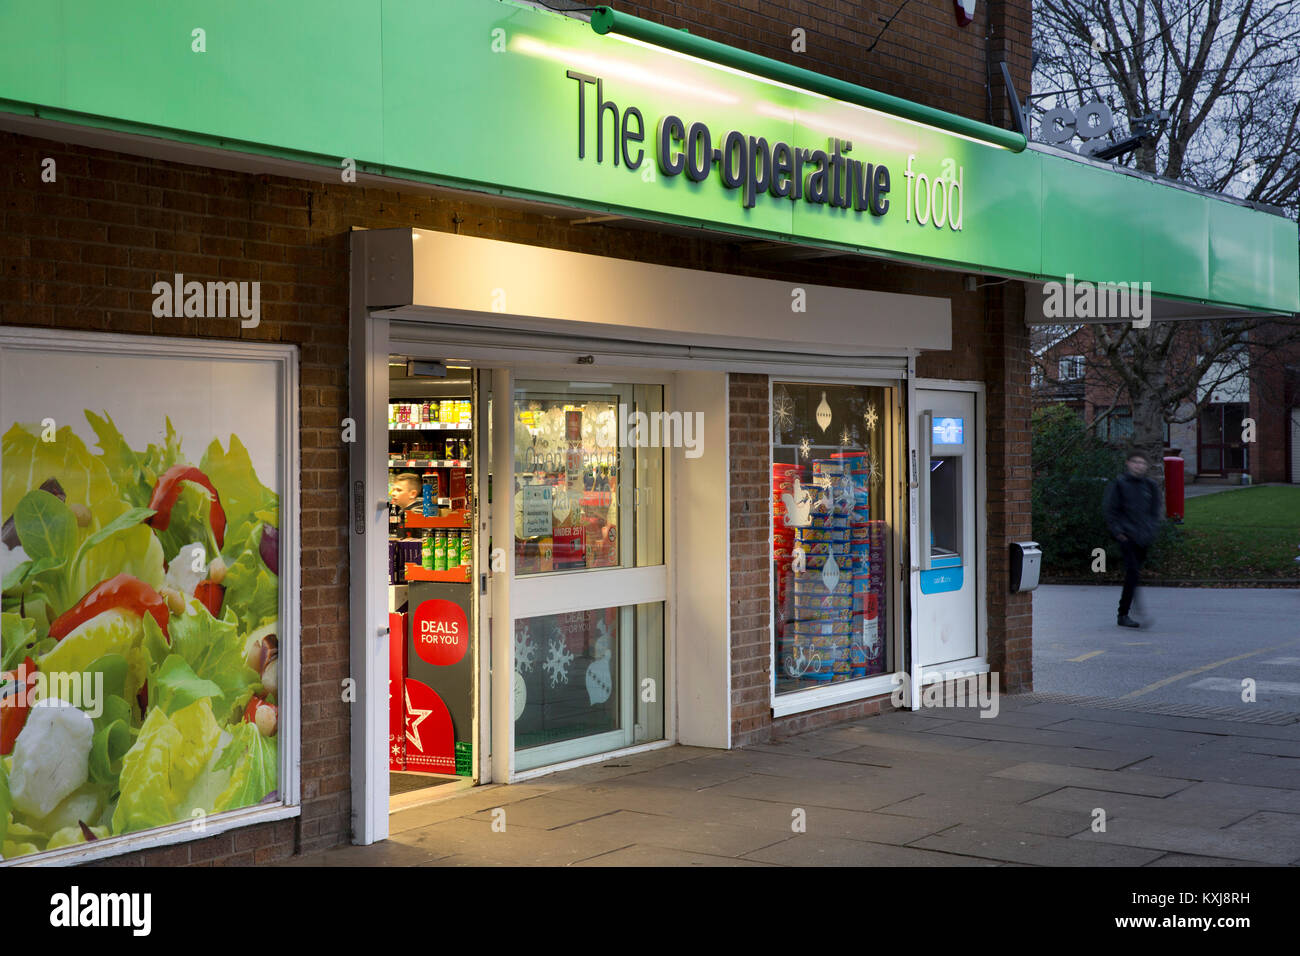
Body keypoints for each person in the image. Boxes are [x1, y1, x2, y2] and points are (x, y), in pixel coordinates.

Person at [1103, 449, 1162, 628]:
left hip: (1143, 537)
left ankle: (1130, 608)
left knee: (1133, 576)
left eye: (1142, 463)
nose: (1139, 466)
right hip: (1126, 537)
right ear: (1128, 463)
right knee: (1133, 572)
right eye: (1135, 462)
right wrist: (1118, 532)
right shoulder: (1120, 484)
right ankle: (1125, 613)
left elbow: (1155, 511)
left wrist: (1151, 530)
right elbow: (1110, 510)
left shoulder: (1150, 486)